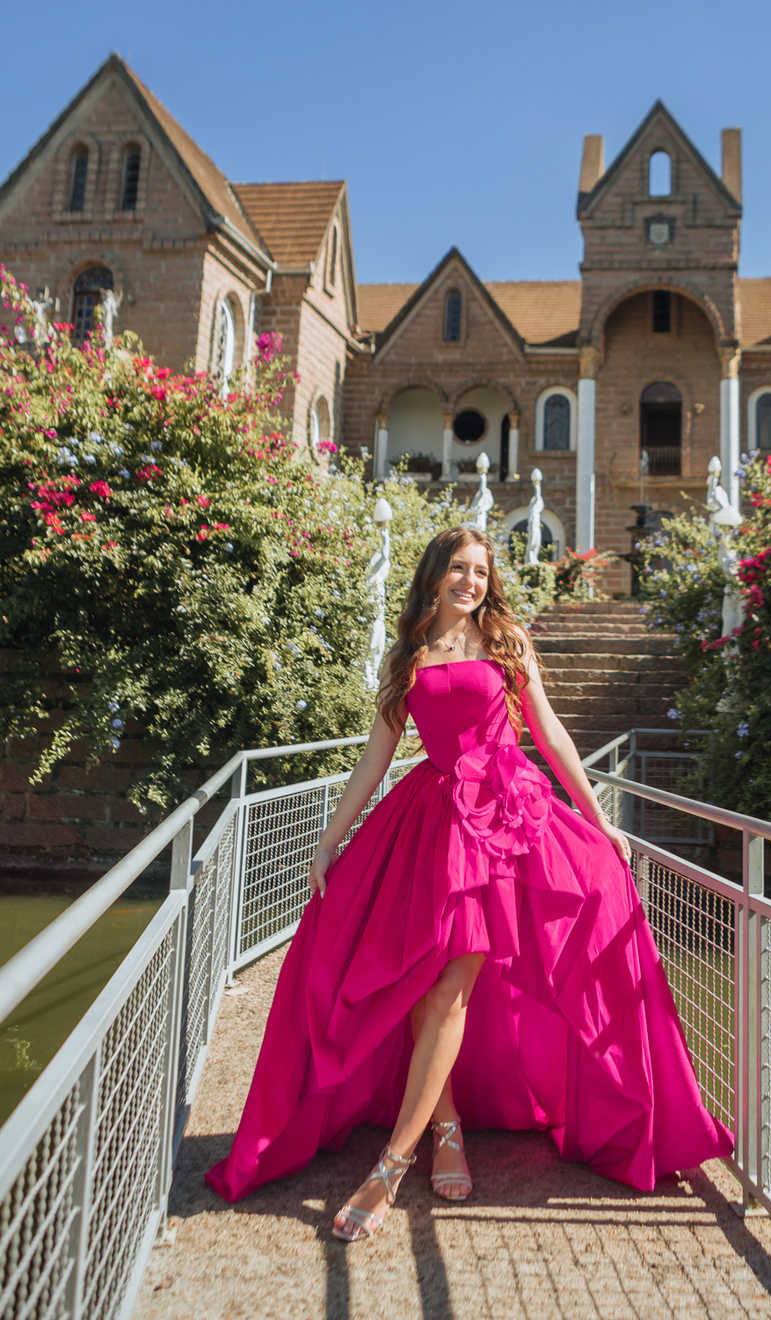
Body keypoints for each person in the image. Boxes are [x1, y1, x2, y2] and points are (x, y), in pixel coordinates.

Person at [206, 525, 732, 1240]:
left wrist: (598, 818)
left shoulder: (508, 640)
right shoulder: (410, 655)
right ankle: (445, 1126)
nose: (471, 582)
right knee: (426, 979)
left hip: (507, 818)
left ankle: (389, 1166)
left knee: (453, 982)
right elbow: (373, 759)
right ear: (434, 575)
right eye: (459, 568)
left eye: (481, 571)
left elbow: (548, 733)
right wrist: (330, 841)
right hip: (429, 820)